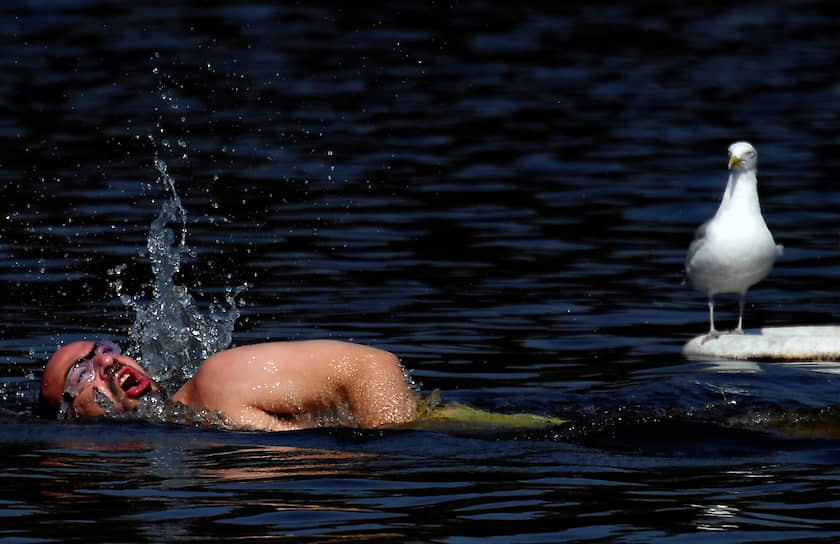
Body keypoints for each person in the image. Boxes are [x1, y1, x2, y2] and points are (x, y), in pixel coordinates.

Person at [39, 339, 418, 431]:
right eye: (81, 374)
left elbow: (372, 368)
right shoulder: (192, 429)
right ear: (71, 418)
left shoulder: (215, 381)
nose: (105, 361)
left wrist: (388, 481)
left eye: (104, 350)